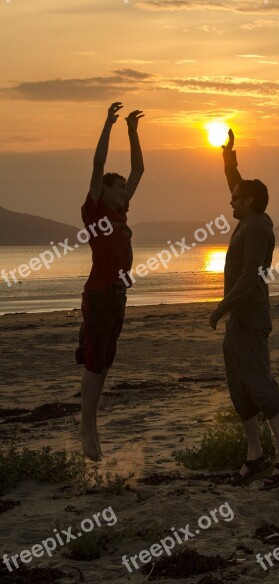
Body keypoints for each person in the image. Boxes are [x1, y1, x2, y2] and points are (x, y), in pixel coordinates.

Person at [209, 129, 279, 489]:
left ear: (249, 202)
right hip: (237, 322)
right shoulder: (248, 219)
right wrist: (229, 159)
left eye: (235, 199)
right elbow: (237, 184)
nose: (230, 202)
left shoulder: (258, 228)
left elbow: (250, 278)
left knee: (261, 385)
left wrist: (221, 307)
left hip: (250, 319)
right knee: (239, 390)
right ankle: (255, 456)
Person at [76, 102, 144, 461]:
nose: (124, 192)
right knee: (93, 361)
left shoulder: (119, 212)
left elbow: (139, 168)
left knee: (105, 363)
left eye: (124, 189)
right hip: (100, 296)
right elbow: (98, 165)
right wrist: (108, 124)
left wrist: (133, 132)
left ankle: (93, 424)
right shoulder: (96, 209)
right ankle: (86, 428)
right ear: (105, 191)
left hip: (117, 297)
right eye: (119, 189)